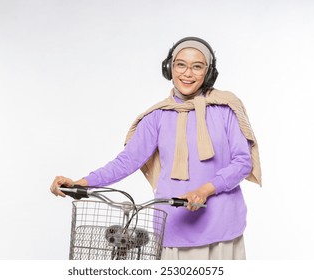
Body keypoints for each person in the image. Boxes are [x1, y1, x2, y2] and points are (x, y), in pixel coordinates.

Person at [50, 36, 261, 260]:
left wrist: (204, 190)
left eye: (197, 67)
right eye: (181, 64)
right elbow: (127, 161)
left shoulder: (226, 108)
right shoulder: (156, 117)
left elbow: (242, 162)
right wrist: (81, 182)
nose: (187, 74)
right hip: (173, 224)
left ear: (209, 73)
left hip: (222, 227)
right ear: (169, 67)